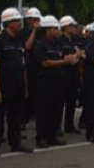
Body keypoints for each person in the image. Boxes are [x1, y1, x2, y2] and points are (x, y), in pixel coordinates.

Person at [0, 8, 33, 158]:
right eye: (16, 21)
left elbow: (23, 64)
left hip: (18, 83)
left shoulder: (19, 40)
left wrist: (25, 86)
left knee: (16, 116)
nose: (19, 24)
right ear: (8, 23)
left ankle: (16, 143)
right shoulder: (0, 41)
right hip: (4, 83)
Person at [32, 16, 77, 148]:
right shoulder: (40, 45)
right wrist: (64, 61)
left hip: (58, 81)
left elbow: (63, 58)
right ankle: (41, 137)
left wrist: (72, 58)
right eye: (55, 28)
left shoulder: (57, 44)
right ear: (47, 30)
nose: (57, 31)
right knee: (43, 111)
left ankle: (52, 135)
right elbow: (45, 63)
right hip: (45, 81)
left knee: (55, 110)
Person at [59, 16, 83, 134]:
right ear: (65, 27)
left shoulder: (74, 40)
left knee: (72, 101)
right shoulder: (60, 40)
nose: (74, 28)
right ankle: (56, 126)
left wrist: (78, 55)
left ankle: (69, 125)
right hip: (63, 73)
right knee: (59, 102)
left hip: (73, 73)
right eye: (72, 26)